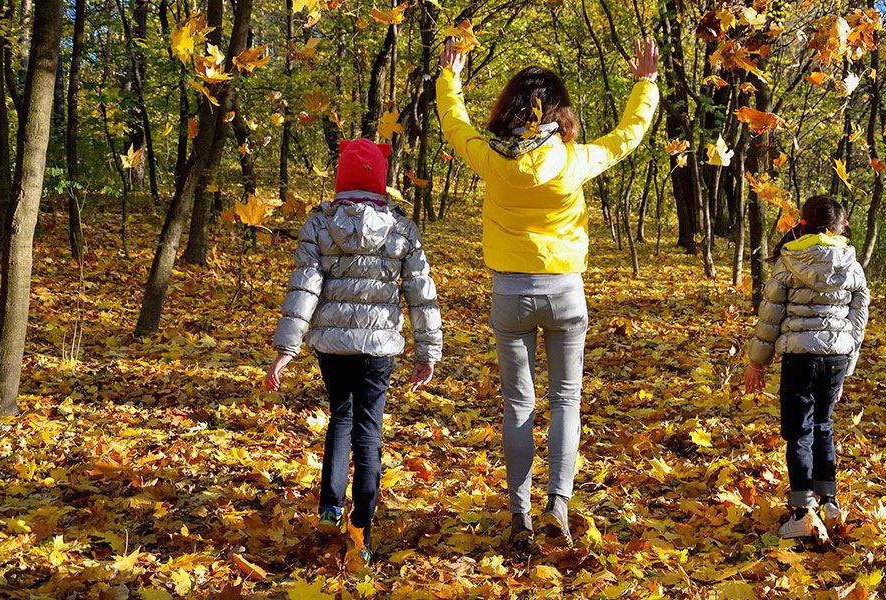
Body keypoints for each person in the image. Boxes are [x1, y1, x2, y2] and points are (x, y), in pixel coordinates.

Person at [436, 38, 659, 545]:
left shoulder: (492, 158)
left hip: (509, 294)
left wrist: (450, 77)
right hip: (566, 293)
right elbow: (629, 135)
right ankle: (558, 503)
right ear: (560, 111)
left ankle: (521, 515)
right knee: (566, 401)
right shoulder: (574, 160)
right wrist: (644, 84)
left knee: (517, 404)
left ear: (509, 108)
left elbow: (454, 124)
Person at [264, 138, 443, 562]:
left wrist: (287, 349)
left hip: (332, 345)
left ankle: (329, 507)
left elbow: (304, 287)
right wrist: (427, 351)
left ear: (341, 178)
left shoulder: (320, 223)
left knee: (340, 419)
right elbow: (421, 292)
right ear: (381, 183)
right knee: (369, 429)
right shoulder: (401, 227)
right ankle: (361, 527)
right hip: (379, 347)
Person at [743, 195, 870, 540]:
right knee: (824, 426)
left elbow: (770, 316)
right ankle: (829, 504)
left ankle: (802, 512)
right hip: (836, 360)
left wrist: (756, 362)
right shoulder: (852, 266)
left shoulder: (790, 260)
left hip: (799, 357)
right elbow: (858, 322)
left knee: (799, 431)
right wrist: (847, 369)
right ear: (842, 226)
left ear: (803, 223)